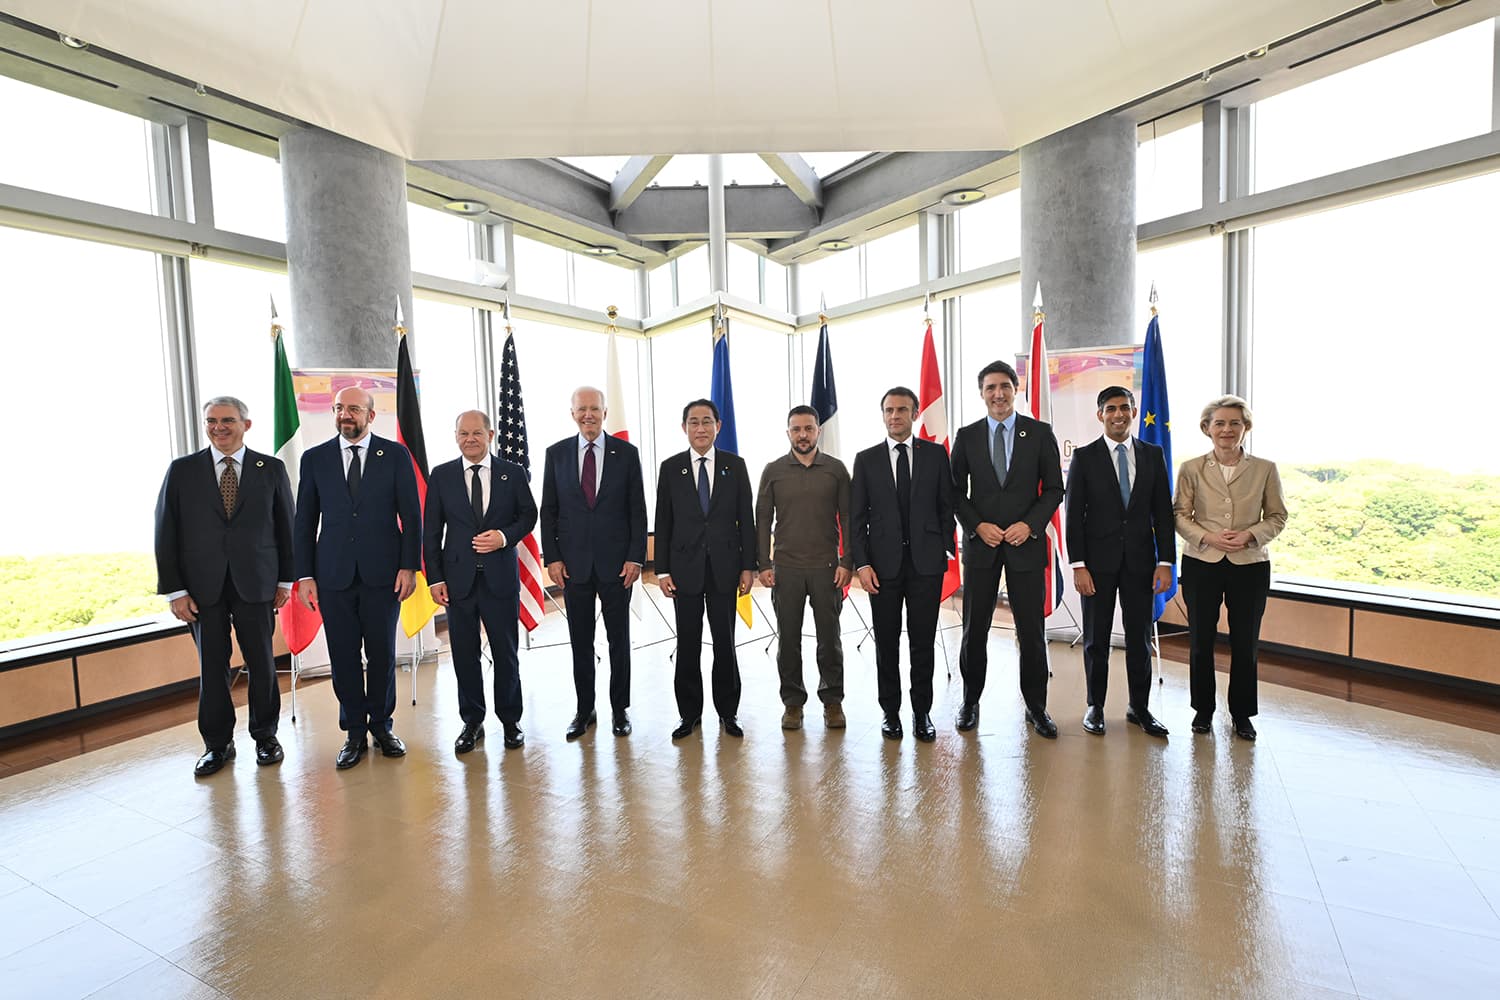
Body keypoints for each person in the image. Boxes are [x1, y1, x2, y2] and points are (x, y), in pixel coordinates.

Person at [154, 396, 295, 776]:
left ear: (246, 425)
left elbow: (287, 528)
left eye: (228, 420)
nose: (219, 427)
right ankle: (217, 746)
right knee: (211, 668)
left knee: (262, 665)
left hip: (258, 584)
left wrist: (285, 579)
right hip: (201, 591)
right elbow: (165, 532)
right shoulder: (182, 471)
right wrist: (175, 590)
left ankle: (265, 737)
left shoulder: (271, 468)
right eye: (212, 421)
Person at [294, 385, 421, 770]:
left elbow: (412, 516)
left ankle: (382, 727)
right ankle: (353, 732)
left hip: (384, 574)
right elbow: (304, 521)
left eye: (353, 408)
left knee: (382, 655)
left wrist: (408, 566)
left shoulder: (395, 455)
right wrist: (305, 575)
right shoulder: (314, 459)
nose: (345, 415)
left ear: (370, 415)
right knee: (344, 657)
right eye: (338, 409)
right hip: (332, 575)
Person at [951, 360, 1065, 739]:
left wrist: (1029, 525)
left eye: (1005, 386)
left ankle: (1036, 706)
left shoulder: (1039, 432)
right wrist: (977, 525)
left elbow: (1054, 489)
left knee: (1031, 630)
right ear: (981, 392)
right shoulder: (966, 437)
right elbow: (953, 492)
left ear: (1017, 389)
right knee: (974, 629)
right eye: (990, 388)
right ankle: (970, 700)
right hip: (982, 546)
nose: (998, 394)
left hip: (1025, 545)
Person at [423, 410, 538, 753]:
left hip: (500, 577)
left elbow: (528, 515)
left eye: (477, 433)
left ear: (491, 435)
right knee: (464, 654)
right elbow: (431, 533)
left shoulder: (512, 473)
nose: (470, 439)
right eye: (463, 433)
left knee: (506, 652)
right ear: (455, 436)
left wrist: (504, 537)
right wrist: (435, 578)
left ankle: (511, 720)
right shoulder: (441, 476)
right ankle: (472, 721)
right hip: (457, 581)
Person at [1174, 394, 1287, 741]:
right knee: (1200, 641)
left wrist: (1251, 535)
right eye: (1219, 423)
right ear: (1207, 428)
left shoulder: (1265, 468)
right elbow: (1179, 515)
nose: (1226, 429)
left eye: (1234, 423)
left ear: (1246, 428)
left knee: (1245, 642)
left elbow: (1278, 516)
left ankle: (1242, 714)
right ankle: (1202, 711)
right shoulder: (1191, 468)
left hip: (1249, 565)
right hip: (1201, 562)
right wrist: (1208, 537)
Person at [1064, 386, 1175, 738]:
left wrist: (1166, 562)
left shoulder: (1153, 454)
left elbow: (1163, 514)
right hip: (1096, 565)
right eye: (1110, 408)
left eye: (1125, 408)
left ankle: (1138, 707)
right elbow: (1073, 515)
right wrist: (1078, 565)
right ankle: (1095, 706)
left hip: (1143, 563)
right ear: (1100, 415)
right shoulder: (1084, 457)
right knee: (1096, 639)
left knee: (1139, 638)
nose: (1118, 414)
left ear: (1133, 411)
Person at [540, 386, 648, 740]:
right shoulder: (555, 455)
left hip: (618, 566)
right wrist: (552, 558)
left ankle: (621, 709)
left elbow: (637, 511)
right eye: (582, 409)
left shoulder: (626, 454)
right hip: (573, 568)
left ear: (605, 413)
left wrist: (636, 557)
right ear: (572, 413)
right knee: (580, 641)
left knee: (619, 640)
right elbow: (550, 511)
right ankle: (585, 709)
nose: (588, 415)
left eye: (595, 409)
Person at [850, 387, 954, 742]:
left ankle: (921, 711)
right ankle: (890, 712)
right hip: (882, 568)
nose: (895, 416)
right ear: (882, 415)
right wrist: (861, 564)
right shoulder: (865, 460)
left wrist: (944, 549)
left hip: (926, 565)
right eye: (889, 410)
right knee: (887, 643)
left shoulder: (936, 454)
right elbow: (855, 518)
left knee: (922, 642)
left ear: (916, 413)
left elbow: (946, 507)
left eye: (902, 410)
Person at [655, 399, 757, 740]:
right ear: (684, 427)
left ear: (718, 426)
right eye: (694, 422)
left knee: (725, 644)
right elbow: (663, 522)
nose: (701, 428)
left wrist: (748, 567)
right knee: (687, 644)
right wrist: (663, 570)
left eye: (707, 421)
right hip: (684, 571)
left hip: (726, 570)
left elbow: (747, 520)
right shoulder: (671, 468)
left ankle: (728, 713)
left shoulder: (734, 465)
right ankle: (689, 715)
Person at [756, 405, 853, 731]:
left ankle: (833, 701)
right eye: (796, 429)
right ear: (788, 433)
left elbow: (850, 520)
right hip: (786, 569)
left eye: (808, 428)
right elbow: (762, 521)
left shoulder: (836, 470)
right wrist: (763, 564)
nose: (803, 435)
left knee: (830, 639)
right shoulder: (773, 470)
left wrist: (847, 561)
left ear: (818, 431)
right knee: (789, 640)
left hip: (827, 569)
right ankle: (793, 703)